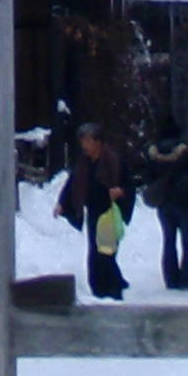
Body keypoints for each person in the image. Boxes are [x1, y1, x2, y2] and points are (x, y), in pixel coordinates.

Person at [54, 118, 135, 299]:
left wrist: (120, 191)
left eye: (87, 140)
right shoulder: (83, 163)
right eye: (82, 141)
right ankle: (102, 288)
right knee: (95, 251)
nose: (84, 145)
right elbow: (72, 184)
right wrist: (62, 203)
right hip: (93, 212)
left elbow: (129, 185)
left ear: (97, 141)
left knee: (105, 252)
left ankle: (112, 289)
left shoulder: (113, 161)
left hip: (108, 212)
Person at [143, 117, 188, 291]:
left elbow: (148, 177)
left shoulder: (154, 155)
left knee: (168, 240)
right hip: (184, 202)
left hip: (164, 203)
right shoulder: (184, 153)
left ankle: (171, 278)